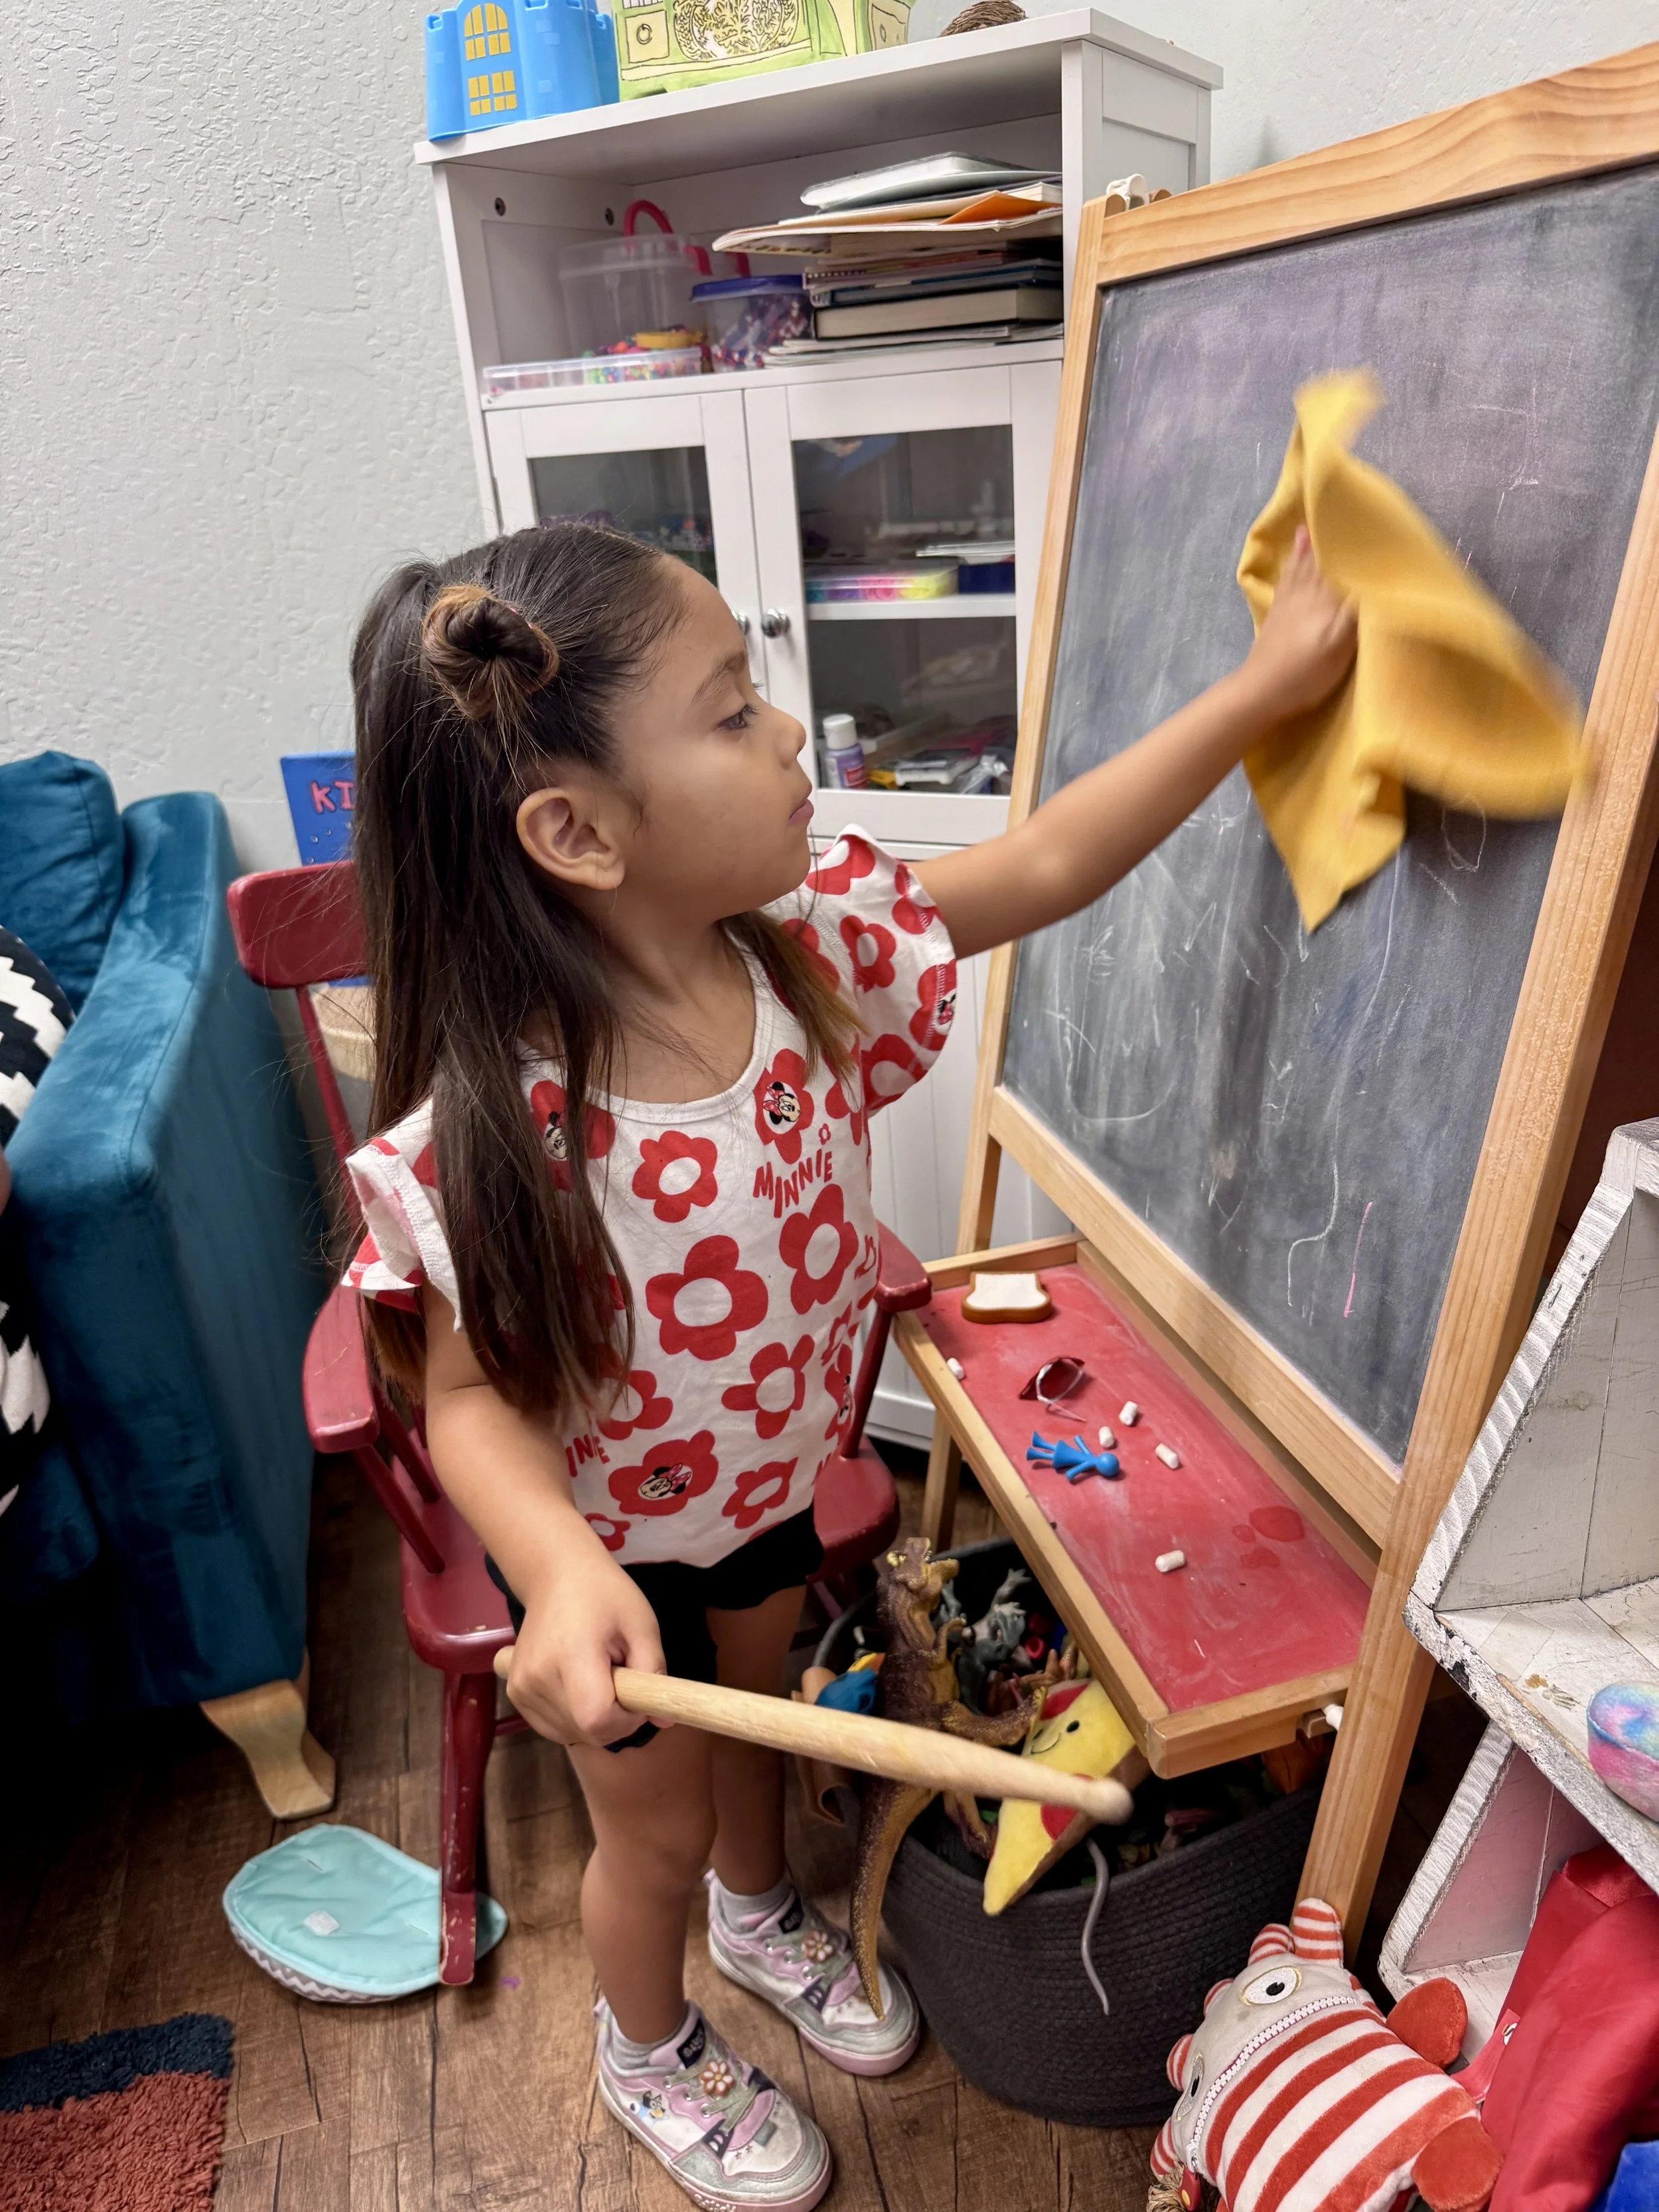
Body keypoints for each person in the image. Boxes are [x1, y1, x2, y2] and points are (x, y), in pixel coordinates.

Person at [342, 519, 1355, 2211]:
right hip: (609, 1569)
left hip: (762, 1490)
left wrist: (1263, 689)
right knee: (644, 1839)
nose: (793, 733)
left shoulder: (810, 948)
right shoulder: (498, 1133)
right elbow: (462, 1399)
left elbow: (1039, 866)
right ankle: (647, 2039)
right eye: (733, 708)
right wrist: (558, 1563)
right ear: (576, 831)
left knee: (761, 1738)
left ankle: (761, 1910)